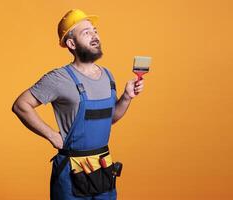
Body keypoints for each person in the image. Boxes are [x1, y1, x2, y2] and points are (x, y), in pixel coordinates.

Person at [12, 9, 144, 200]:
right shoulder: (59, 78)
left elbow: (110, 119)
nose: (95, 36)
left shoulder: (108, 76)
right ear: (71, 43)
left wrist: (126, 97)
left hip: (103, 169)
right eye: (86, 32)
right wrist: (51, 135)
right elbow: (20, 105)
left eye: (95, 30)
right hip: (71, 173)